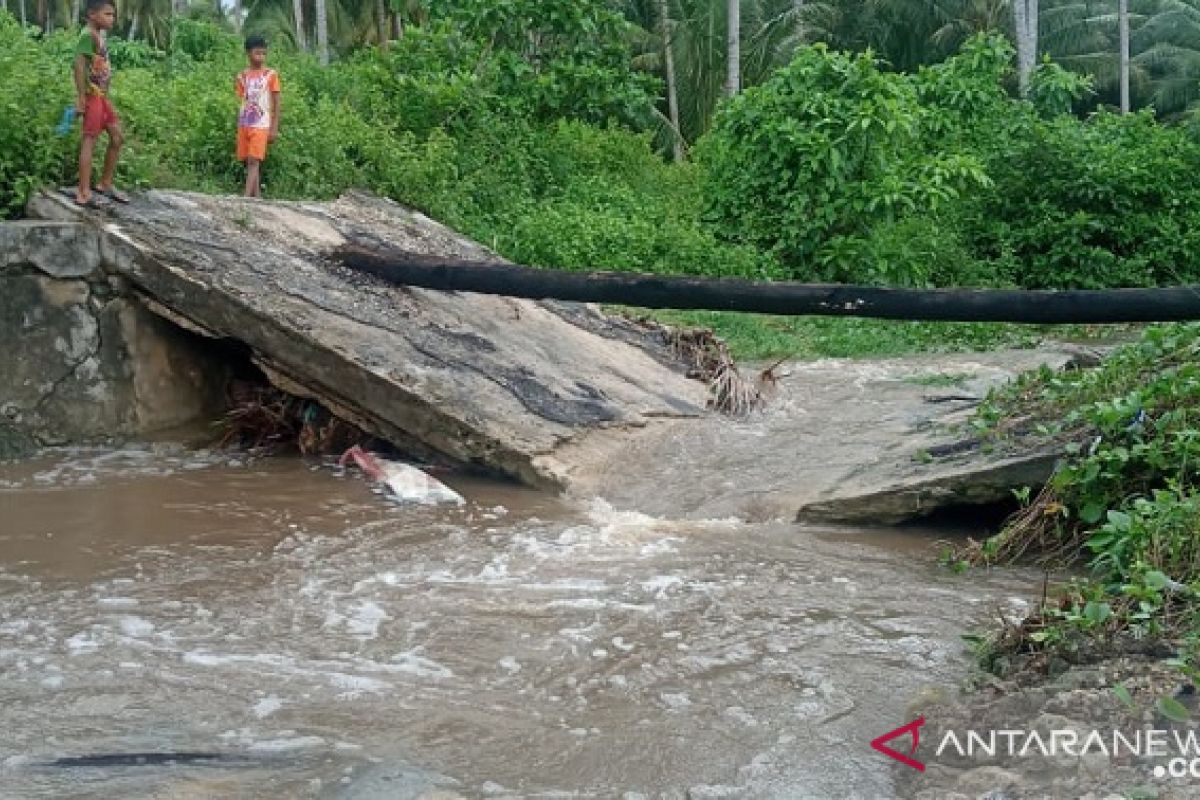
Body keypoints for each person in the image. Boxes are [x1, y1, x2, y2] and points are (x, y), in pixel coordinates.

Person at [74, 0, 128, 206]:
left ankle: (105, 183)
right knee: (90, 140)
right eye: (107, 14)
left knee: (117, 137)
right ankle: (83, 191)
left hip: (102, 98)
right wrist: (81, 97)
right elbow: (78, 66)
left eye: (113, 15)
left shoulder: (98, 35)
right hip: (92, 96)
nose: (111, 19)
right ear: (92, 15)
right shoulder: (87, 35)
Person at [236, 35, 281, 198]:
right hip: (245, 123)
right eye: (257, 53)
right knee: (249, 160)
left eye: (263, 53)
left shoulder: (270, 75)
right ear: (248, 53)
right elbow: (243, 100)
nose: (261, 57)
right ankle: (258, 197)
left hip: (262, 124)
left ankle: (246, 198)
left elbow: (276, 102)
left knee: (254, 160)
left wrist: (274, 127)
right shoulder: (242, 76)